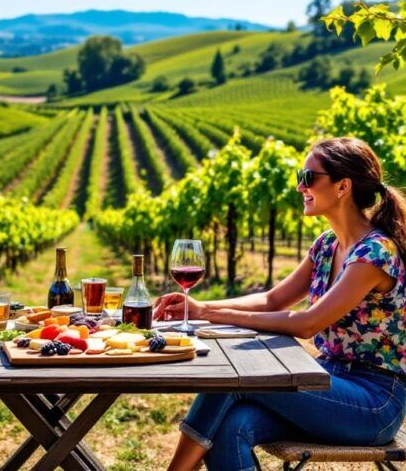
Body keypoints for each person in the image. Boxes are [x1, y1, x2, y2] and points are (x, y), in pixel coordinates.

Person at [155, 137, 406, 471]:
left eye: (308, 177)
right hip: (327, 380)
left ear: (343, 186)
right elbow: (273, 299)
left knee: (231, 380)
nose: (300, 187)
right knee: (233, 425)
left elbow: (307, 323)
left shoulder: (374, 253)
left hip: (374, 401)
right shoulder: (327, 245)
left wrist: (212, 313)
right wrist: (200, 308)